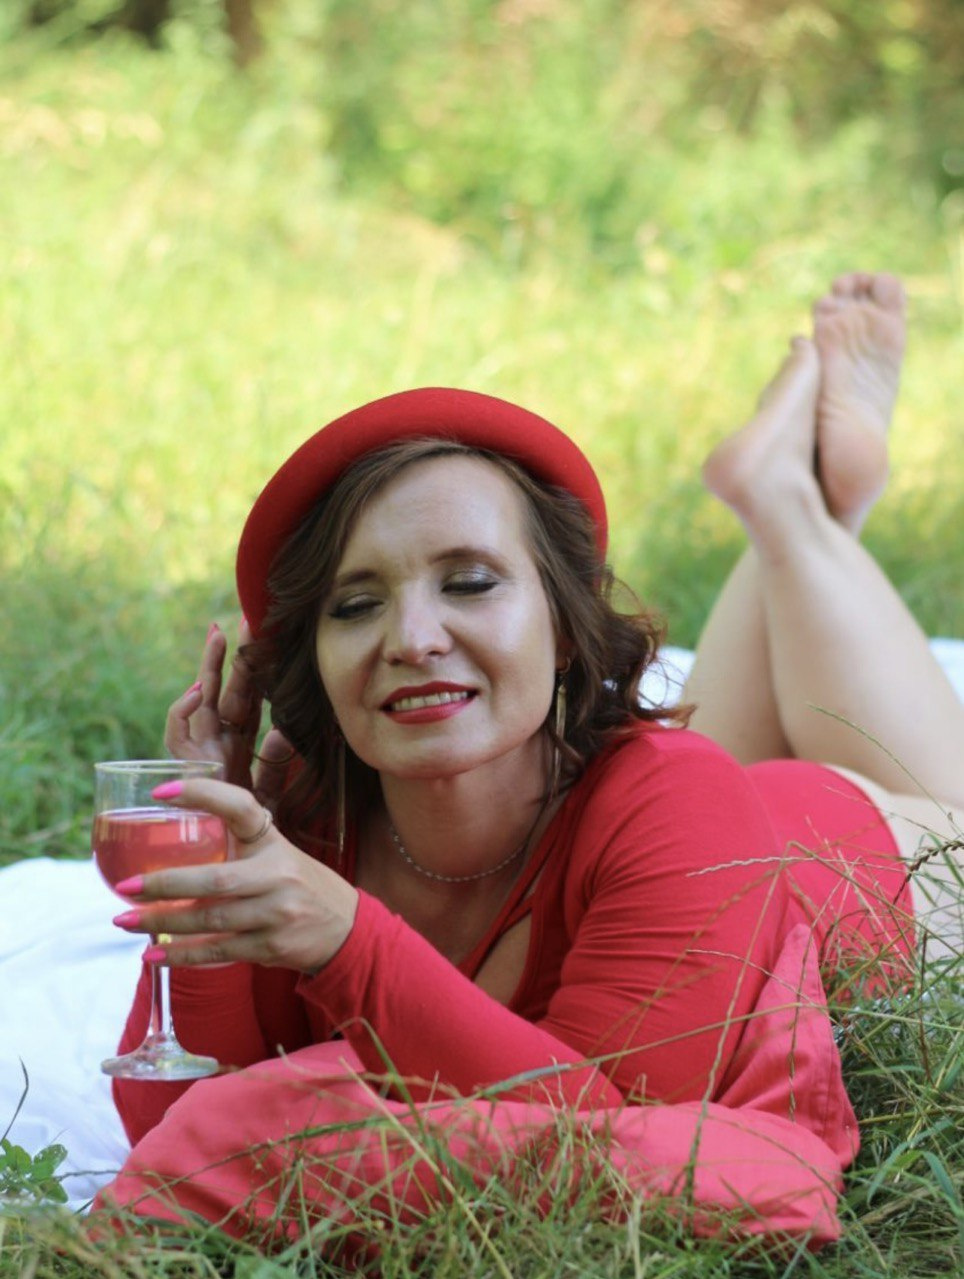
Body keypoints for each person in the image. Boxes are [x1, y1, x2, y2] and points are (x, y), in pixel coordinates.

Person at [93, 273, 962, 1253]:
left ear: (564, 627)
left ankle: (792, 503)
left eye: (469, 582)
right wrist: (208, 878)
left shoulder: (679, 796)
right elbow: (173, 1132)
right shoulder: (304, 818)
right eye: (356, 604)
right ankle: (790, 494)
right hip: (680, 843)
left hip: (855, 842)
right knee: (688, 771)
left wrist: (348, 941)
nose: (412, 638)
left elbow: (614, 1138)